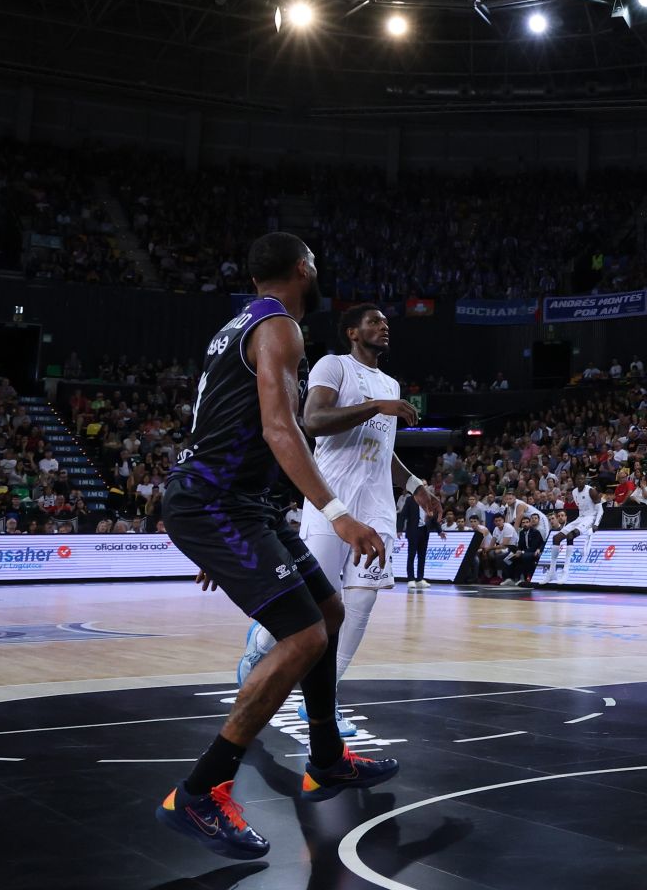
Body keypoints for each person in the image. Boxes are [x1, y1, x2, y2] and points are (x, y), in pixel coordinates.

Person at [156, 233, 398, 860]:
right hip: (218, 503)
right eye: (315, 263)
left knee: (330, 610)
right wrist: (338, 514)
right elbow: (279, 427)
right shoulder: (280, 329)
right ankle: (201, 791)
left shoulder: (237, 326)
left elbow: (223, 423)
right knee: (305, 636)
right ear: (301, 268)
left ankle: (326, 759)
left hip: (239, 504)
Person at [235, 304, 435, 739]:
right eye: (375, 322)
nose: (384, 327)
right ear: (352, 332)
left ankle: (324, 702)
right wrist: (375, 405)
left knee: (358, 607)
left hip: (378, 509)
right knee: (315, 608)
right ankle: (261, 647)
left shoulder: (391, 384)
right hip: (332, 505)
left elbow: (383, 452)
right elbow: (314, 421)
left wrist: (415, 483)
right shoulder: (334, 366)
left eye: (387, 323)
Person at [545, 473, 603, 584]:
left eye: (582, 478)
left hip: (590, 518)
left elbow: (600, 510)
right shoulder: (574, 492)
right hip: (580, 517)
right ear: (575, 481)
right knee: (556, 538)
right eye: (578, 479)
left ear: (585, 480)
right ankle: (552, 572)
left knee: (570, 535)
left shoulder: (591, 491)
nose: (581, 480)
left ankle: (565, 572)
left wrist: (596, 524)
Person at [400, 476, 439, 587]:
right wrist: (399, 529)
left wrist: (439, 531)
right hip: (413, 531)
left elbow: (434, 518)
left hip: (424, 531)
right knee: (411, 555)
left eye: (425, 485)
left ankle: (420, 578)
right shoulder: (410, 500)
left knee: (422, 556)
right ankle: (411, 579)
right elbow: (403, 516)